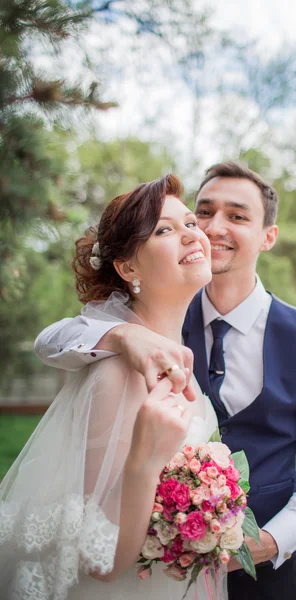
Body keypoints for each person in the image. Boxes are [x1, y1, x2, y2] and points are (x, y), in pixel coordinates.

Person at [34, 162, 296, 600]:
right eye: (203, 211)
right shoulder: (159, 311)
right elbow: (53, 340)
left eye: (238, 216)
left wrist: (276, 539)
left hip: (271, 576)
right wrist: (121, 334)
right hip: (153, 576)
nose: (213, 227)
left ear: (268, 237)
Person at [0, 175, 228, 600]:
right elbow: (97, 558)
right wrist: (144, 461)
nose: (190, 234)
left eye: (189, 223)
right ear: (127, 268)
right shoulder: (117, 374)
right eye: (164, 229)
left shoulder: (177, 357)